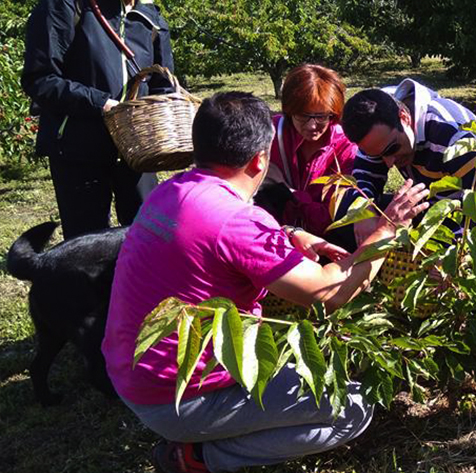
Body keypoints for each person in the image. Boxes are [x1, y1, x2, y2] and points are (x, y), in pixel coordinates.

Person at [101, 92, 429, 472]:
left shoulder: (171, 191)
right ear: (261, 158)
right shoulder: (233, 221)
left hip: (133, 377)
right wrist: (387, 229)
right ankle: (198, 457)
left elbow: (223, 234)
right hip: (178, 398)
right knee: (353, 406)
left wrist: (290, 233)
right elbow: (329, 292)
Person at [21, 0, 175, 239]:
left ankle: (136, 291)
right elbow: (40, 79)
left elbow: (164, 81)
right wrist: (102, 104)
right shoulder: (65, 5)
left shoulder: (150, 18)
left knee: (147, 238)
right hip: (78, 147)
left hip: (136, 150)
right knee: (87, 242)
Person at [340, 79, 476, 247]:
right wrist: (364, 211)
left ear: (404, 117)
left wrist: (457, 250)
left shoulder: (452, 137)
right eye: (378, 155)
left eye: (391, 149)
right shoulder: (376, 118)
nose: (388, 163)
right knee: (348, 215)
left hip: (461, 210)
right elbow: (365, 174)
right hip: (427, 204)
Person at [263, 64, 358, 239]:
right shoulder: (272, 133)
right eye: (302, 115)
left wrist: (284, 189)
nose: (312, 126)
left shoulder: (345, 148)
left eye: (322, 117)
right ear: (289, 111)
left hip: (323, 245)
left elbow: (327, 220)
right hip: (271, 235)